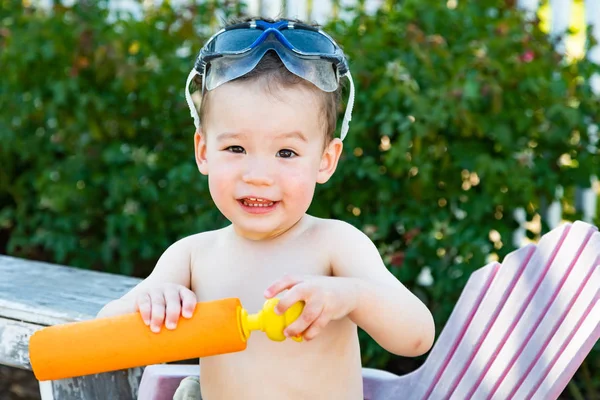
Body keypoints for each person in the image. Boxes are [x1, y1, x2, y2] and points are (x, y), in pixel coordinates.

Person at [97, 17, 435, 400]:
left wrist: (353, 295)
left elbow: (417, 336)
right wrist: (150, 303)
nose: (258, 175)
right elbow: (105, 331)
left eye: (286, 152)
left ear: (325, 160)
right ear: (203, 151)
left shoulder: (335, 245)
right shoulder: (191, 256)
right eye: (236, 149)